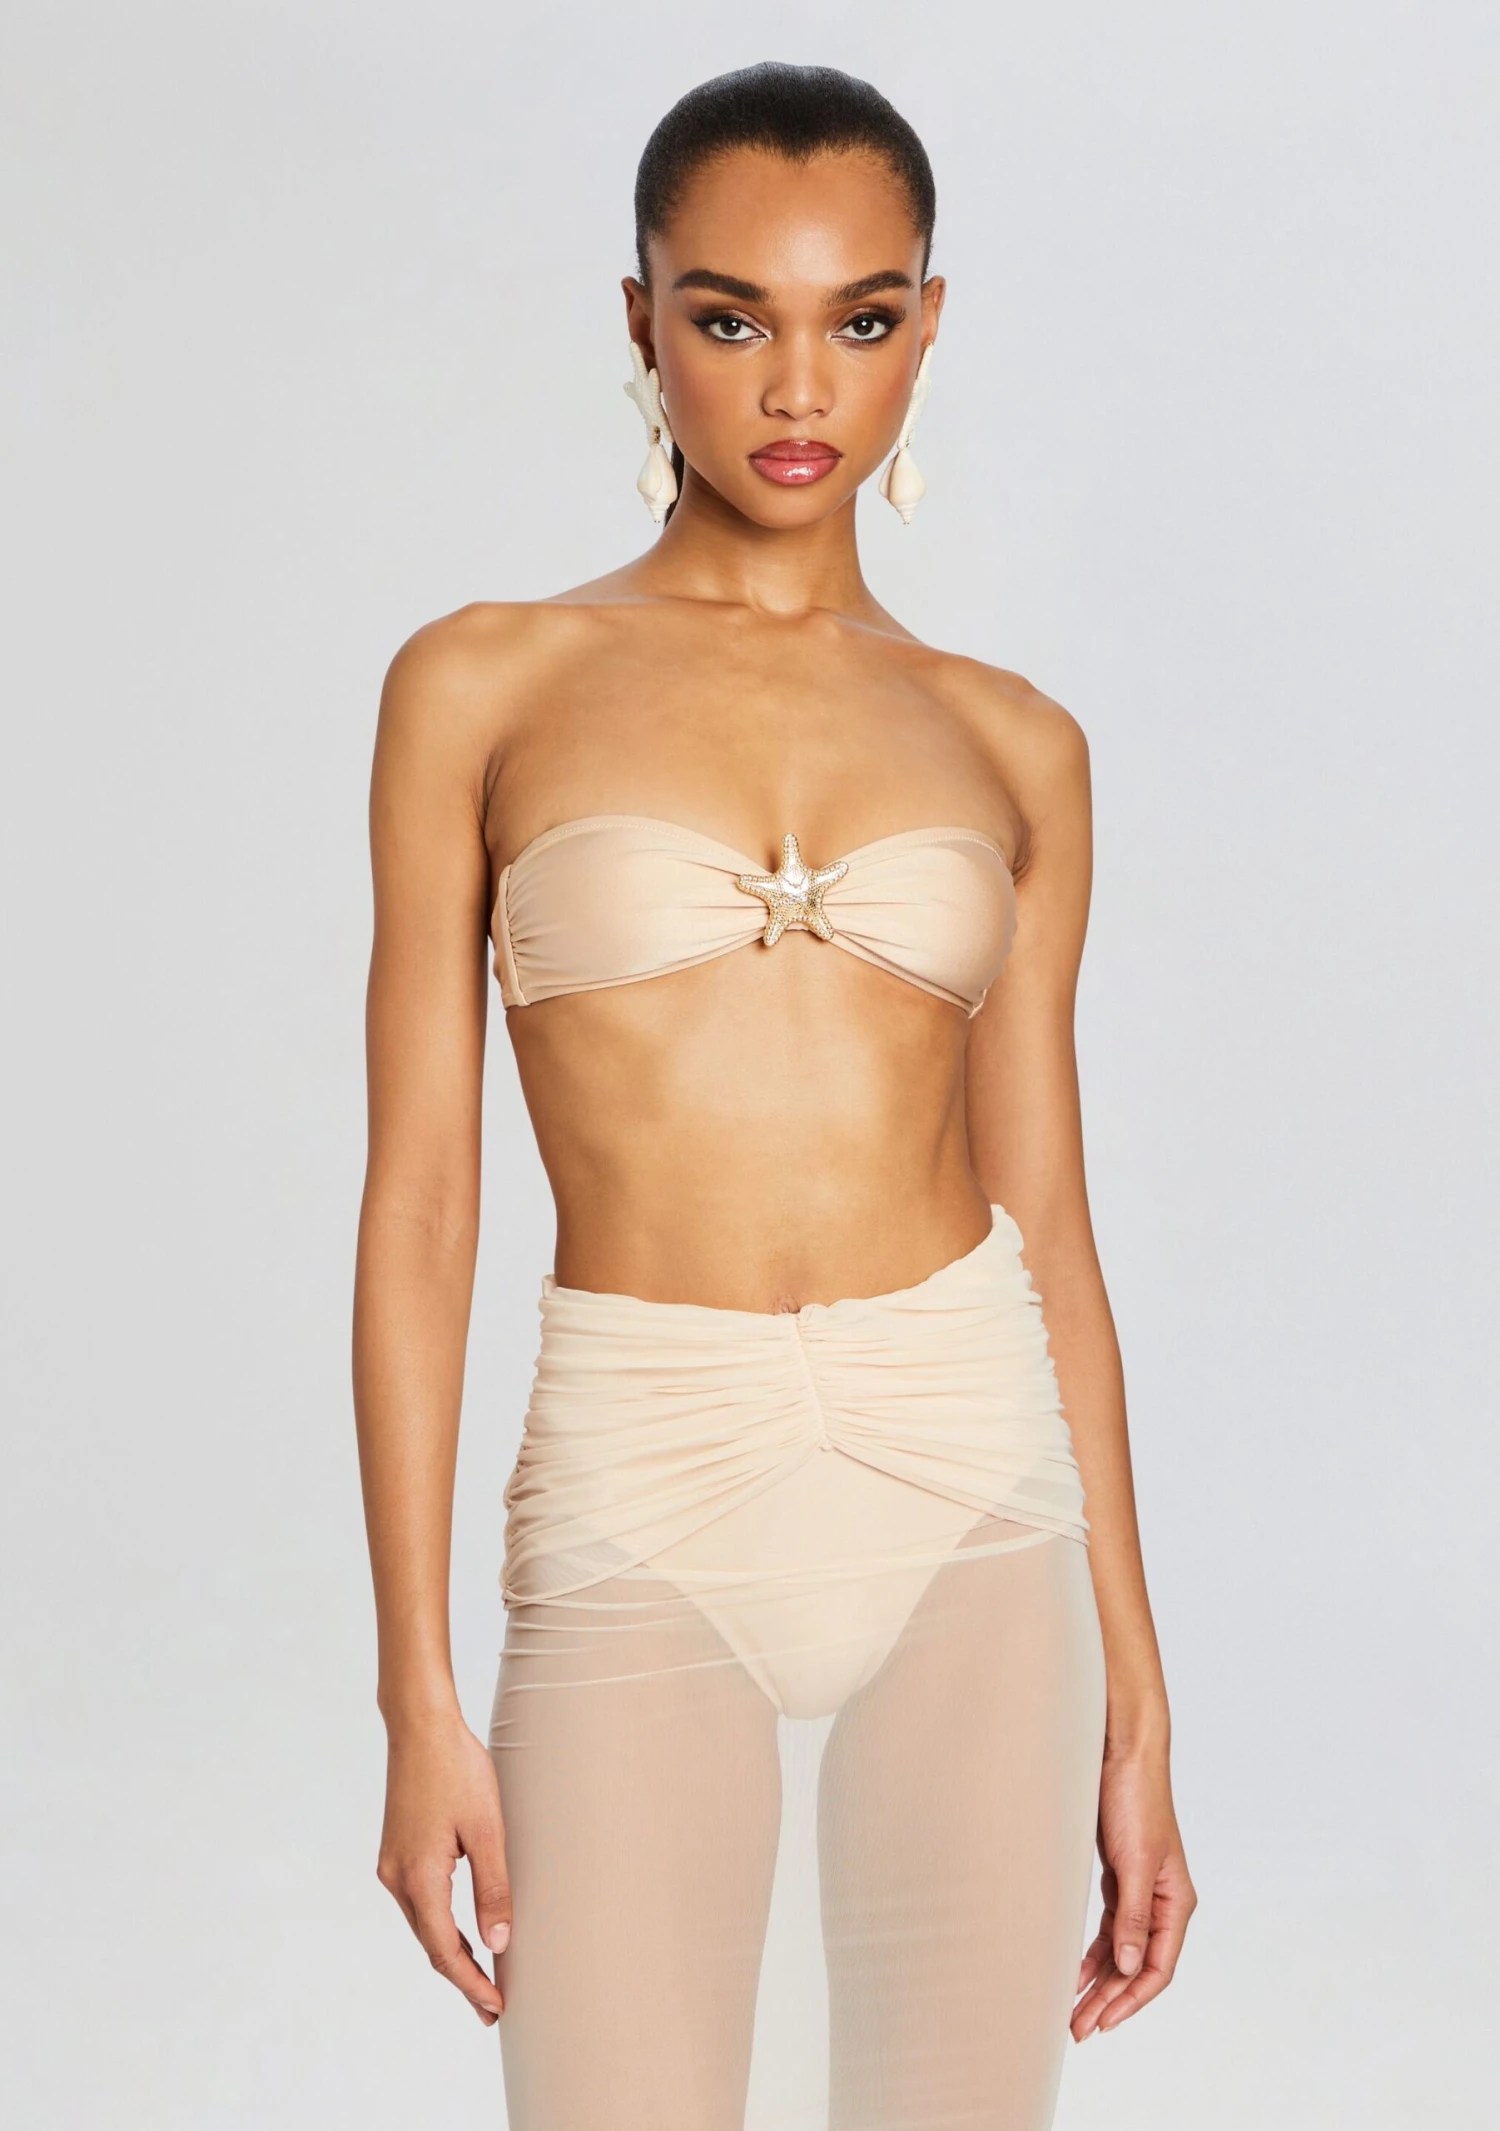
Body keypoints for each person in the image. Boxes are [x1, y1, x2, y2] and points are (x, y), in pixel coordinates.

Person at [353, 60, 1196, 2131]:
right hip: (643, 1473)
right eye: (731, 317)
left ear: (927, 322)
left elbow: (1053, 1227)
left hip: (970, 1478)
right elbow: (424, 1207)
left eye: (861, 318)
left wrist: (1139, 1697)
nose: (798, 387)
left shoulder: (1016, 743)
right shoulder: (483, 682)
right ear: (641, 321)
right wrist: (414, 1693)